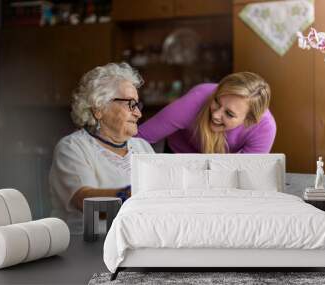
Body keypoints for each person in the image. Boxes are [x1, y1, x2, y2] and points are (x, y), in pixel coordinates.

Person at [49, 62, 154, 233]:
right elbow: (84, 199)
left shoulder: (143, 148)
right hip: (86, 245)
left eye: (138, 105)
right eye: (130, 104)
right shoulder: (72, 147)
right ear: (99, 109)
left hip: (138, 238)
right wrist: (130, 196)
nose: (138, 113)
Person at [138, 72, 276, 154]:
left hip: (221, 168)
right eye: (216, 101)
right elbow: (139, 138)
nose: (216, 115)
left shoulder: (264, 128)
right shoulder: (197, 99)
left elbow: (247, 173)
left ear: (249, 121)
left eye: (229, 114)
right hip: (178, 155)